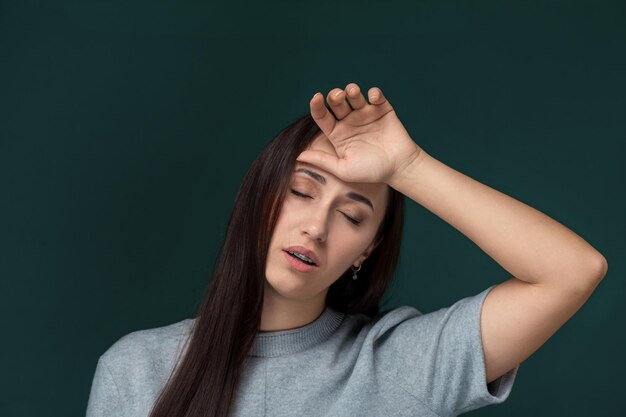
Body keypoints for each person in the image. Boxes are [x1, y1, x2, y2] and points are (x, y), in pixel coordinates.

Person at [86, 83, 608, 417]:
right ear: (258, 199)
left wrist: (408, 167)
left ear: (366, 250)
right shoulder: (136, 371)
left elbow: (573, 271)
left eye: (352, 215)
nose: (316, 227)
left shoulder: (400, 364)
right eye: (301, 191)